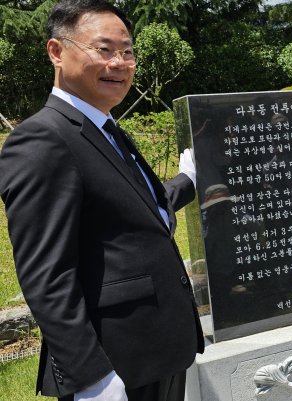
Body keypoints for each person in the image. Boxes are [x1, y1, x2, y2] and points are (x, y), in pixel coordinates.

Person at [0, 1, 203, 400]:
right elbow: (46, 275)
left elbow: (139, 206)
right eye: (104, 50)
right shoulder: (42, 139)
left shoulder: (105, 127)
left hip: (158, 352)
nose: (120, 63)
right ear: (57, 52)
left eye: (127, 52)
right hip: (115, 363)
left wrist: (189, 179)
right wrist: (93, 378)